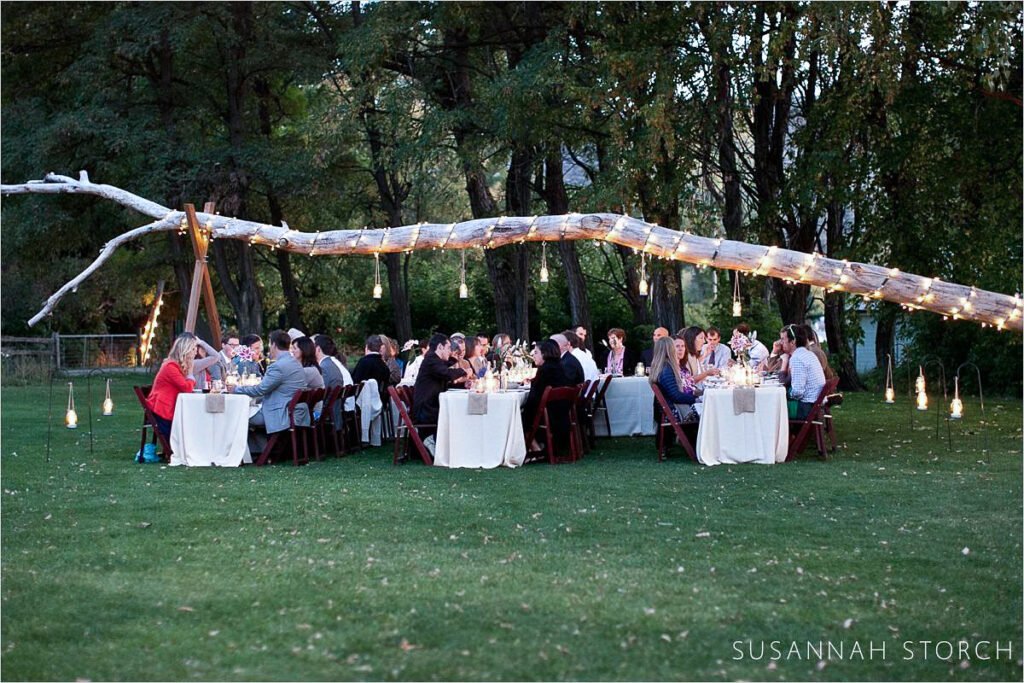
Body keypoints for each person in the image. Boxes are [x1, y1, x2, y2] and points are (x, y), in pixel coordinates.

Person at [229, 330, 308, 454]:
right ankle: (260, 449)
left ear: (274, 345)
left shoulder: (278, 366)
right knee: (246, 411)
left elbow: (260, 389)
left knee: (236, 414)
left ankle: (239, 453)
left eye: (270, 344)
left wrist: (236, 389)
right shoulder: (296, 363)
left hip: (280, 413)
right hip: (292, 410)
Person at [145, 333, 201, 440]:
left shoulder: (176, 366)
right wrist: (190, 373)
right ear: (185, 350)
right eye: (193, 348)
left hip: (172, 408)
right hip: (164, 410)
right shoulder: (170, 367)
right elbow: (187, 388)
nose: (196, 352)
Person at [522, 339, 572, 452]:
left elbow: (535, 397)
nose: (533, 356)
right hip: (562, 414)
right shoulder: (559, 366)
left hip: (550, 415)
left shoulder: (546, 370)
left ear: (544, 354)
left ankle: (536, 449)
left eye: (536, 352)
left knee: (518, 417)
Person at [411, 334, 467, 425]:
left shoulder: (434, 359)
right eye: (448, 348)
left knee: (459, 411)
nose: (450, 351)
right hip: (426, 411)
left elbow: (444, 377)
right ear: (440, 347)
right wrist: (464, 371)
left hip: (430, 407)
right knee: (459, 413)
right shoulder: (431, 359)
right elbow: (446, 374)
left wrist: (463, 384)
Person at [649, 336, 699, 425]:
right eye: (674, 347)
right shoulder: (666, 369)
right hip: (675, 412)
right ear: (669, 350)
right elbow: (675, 396)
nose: (677, 350)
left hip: (672, 409)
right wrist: (696, 399)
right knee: (708, 410)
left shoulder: (662, 367)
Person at [781, 324, 827, 419]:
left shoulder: (797, 358)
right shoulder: (808, 354)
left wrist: (784, 393)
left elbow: (798, 392)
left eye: (783, 340)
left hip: (805, 408)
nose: (781, 343)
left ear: (792, 342)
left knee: (773, 406)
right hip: (814, 406)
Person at [315, 335, 352, 428]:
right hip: (335, 414)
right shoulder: (333, 364)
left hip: (326, 416)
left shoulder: (324, 367)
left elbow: (320, 395)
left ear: (318, 349)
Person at [290, 336, 325, 423]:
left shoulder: (309, 371)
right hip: (309, 411)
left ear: (303, 350)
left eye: (295, 348)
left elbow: (288, 387)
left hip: (313, 414)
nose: (292, 351)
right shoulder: (311, 368)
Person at [352, 334, 392, 401]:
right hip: (379, 401)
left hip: (362, 401)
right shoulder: (384, 366)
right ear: (380, 348)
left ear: (367, 347)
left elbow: (354, 381)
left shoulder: (363, 362)